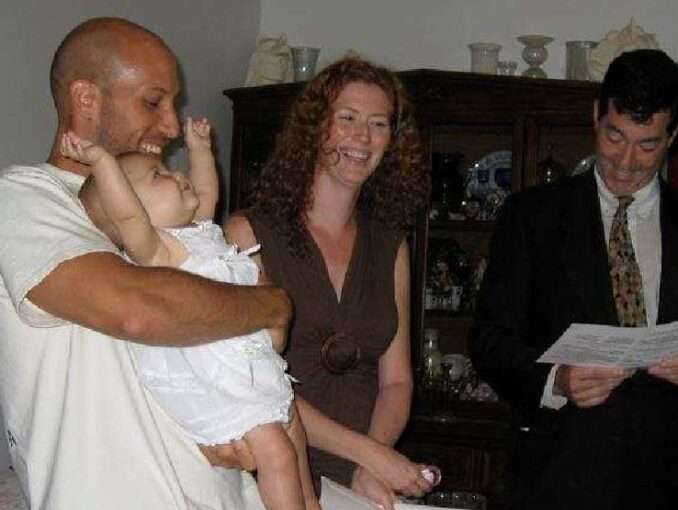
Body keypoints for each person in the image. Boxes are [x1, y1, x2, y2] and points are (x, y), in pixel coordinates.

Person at [0, 17, 424, 510]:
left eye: (174, 105)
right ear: (86, 99)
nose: (171, 127)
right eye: (154, 102)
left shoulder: (165, 212)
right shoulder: (27, 199)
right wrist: (269, 304)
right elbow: (140, 309)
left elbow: (231, 353)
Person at [469, 49, 678, 510]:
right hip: (555, 480)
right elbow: (488, 339)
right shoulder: (531, 217)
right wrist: (557, 381)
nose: (626, 161)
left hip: (667, 485)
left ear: (673, 135)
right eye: (614, 136)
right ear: (595, 116)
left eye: (647, 145)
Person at [60, 115, 317, 510]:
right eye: (157, 176)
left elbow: (206, 194)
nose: (175, 174)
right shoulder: (157, 251)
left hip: (254, 371)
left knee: (296, 440)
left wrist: (200, 150)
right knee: (278, 455)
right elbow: (127, 215)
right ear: (131, 207)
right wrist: (101, 162)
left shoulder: (201, 233)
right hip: (224, 387)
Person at [225, 56, 433, 509]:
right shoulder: (248, 236)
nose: (363, 137)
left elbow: (396, 382)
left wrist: (369, 464)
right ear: (315, 129)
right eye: (348, 118)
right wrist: (373, 455)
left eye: (379, 124)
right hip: (275, 472)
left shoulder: (390, 246)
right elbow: (256, 386)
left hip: (361, 475)